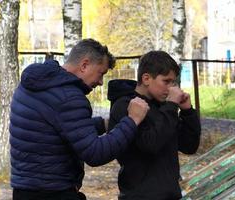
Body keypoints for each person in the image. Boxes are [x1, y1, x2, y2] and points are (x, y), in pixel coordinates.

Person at [9, 38, 149, 200]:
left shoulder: (33, 83)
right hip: (54, 192)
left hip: (23, 189)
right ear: (84, 65)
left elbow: (57, 129)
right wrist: (132, 121)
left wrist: (103, 124)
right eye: (101, 73)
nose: (100, 82)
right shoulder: (69, 97)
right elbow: (95, 153)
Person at [108, 50, 201, 200]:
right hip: (140, 195)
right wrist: (170, 106)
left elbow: (189, 146)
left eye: (174, 82)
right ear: (146, 78)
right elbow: (150, 144)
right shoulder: (126, 105)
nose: (171, 88)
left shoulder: (162, 107)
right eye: (166, 81)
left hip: (170, 193)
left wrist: (187, 112)